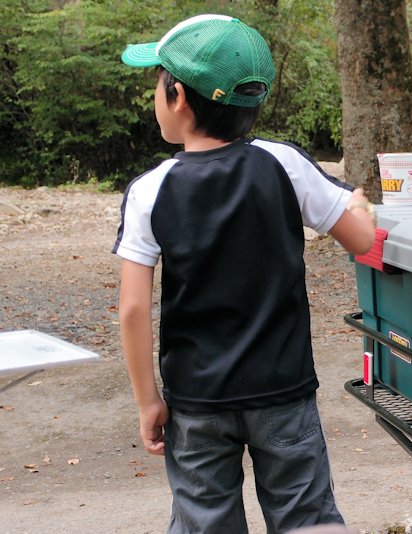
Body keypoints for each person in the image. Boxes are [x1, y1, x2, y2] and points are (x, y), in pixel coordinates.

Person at [113, 14, 375, 534]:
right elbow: (361, 240)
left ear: (178, 98)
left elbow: (134, 309)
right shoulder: (284, 164)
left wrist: (148, 401)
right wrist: (359, 204)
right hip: (283, 391)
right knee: (306, 518)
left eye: (158, 83)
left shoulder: (150, 190)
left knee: (204, 522)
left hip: (197, 402)